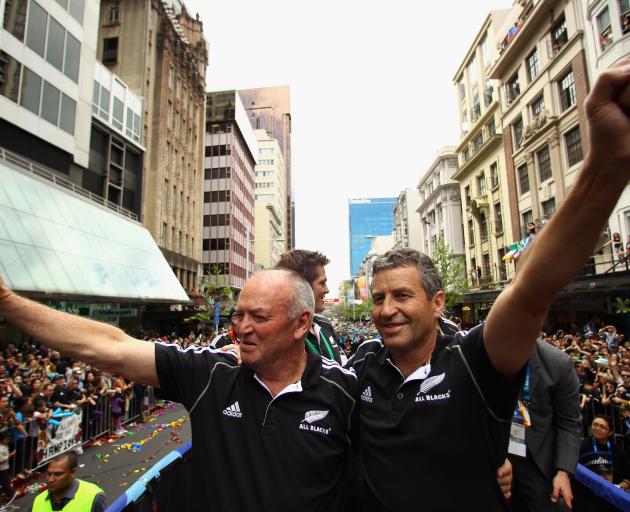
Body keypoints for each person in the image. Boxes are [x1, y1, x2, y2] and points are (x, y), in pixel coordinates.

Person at [345, 58, 630, 510]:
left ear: (438, 302)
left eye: (402, 295)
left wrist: (608, 166)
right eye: (379, 298)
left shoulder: (474, 360)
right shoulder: (358, 367)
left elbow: (531, 290)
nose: (385, 309)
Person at [0, 270, 357, 510]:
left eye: (259, 318)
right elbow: (110, 347)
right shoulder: (210, 374)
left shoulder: (345, 390)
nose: (242, 329)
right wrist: (7, 302)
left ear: (301, 324)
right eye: (238, 315)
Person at [508, 340, 582, 511]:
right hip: (494, 457)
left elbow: (569, 423)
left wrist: (563, 471)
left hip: (536, 461)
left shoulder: (558, 363)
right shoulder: (481, 349)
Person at [275, 249, 346, 364]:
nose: (327, 290)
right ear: (302, 286)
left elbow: (343, 368)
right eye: (322, 283)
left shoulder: (325, 324)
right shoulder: (276, 333)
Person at [31, 451, 105, 512]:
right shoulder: (38, 501)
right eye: (49, 474)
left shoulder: (93, 497)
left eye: (58, 474)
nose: (51, 479)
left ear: (73, 472)